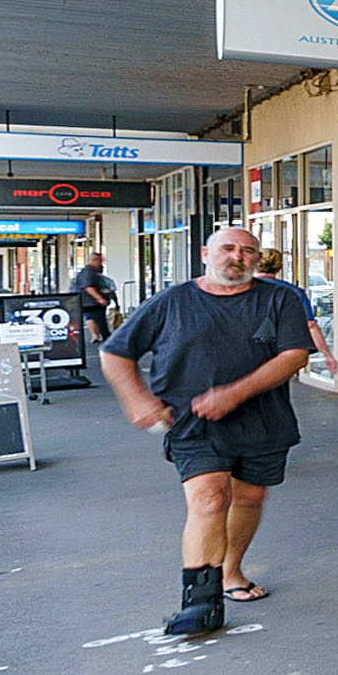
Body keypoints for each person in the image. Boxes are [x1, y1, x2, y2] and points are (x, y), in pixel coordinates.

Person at [98, 225, 314, 635]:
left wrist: (233, 394)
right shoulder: (172, 301)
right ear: (205, 253)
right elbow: (115, 353)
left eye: (248, 251)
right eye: (228, 248)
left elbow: (294, 355)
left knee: (248, 498)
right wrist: (138, 401)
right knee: (210, 498)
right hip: (194, 422)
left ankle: (231, 571)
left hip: (264, 421)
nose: (238, 257)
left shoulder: (278, 299)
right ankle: (199, 603)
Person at [257, 246, 338, 379]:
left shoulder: (239, 289)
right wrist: (327, 354)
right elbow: (310, 324)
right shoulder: (293, 292)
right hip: (278, 355)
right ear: (279, 266)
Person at [68, 249, 116, 349]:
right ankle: (108, 341)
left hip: (90, 302)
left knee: (95, 319)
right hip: (89, 302)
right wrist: (99, 298)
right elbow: (88, 287)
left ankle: (104, 338)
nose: (101, 263)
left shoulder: (93, 272)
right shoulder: (88, 273)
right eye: (100, 261)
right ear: (94, 260)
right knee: (99, 320)